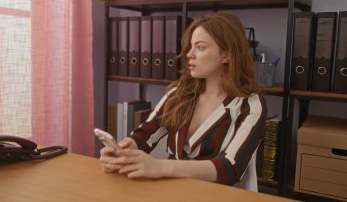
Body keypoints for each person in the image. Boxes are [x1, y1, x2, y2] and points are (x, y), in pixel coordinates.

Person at [100, 12, 267, 191]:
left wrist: (159, 166)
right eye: (191, 47)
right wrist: (122, 151)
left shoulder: (250, 105)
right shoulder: (179, 93)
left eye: (200, 48)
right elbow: (145, 135)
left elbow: (230, 167)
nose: (189, 54)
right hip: (175, 190)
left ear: (226, 54)